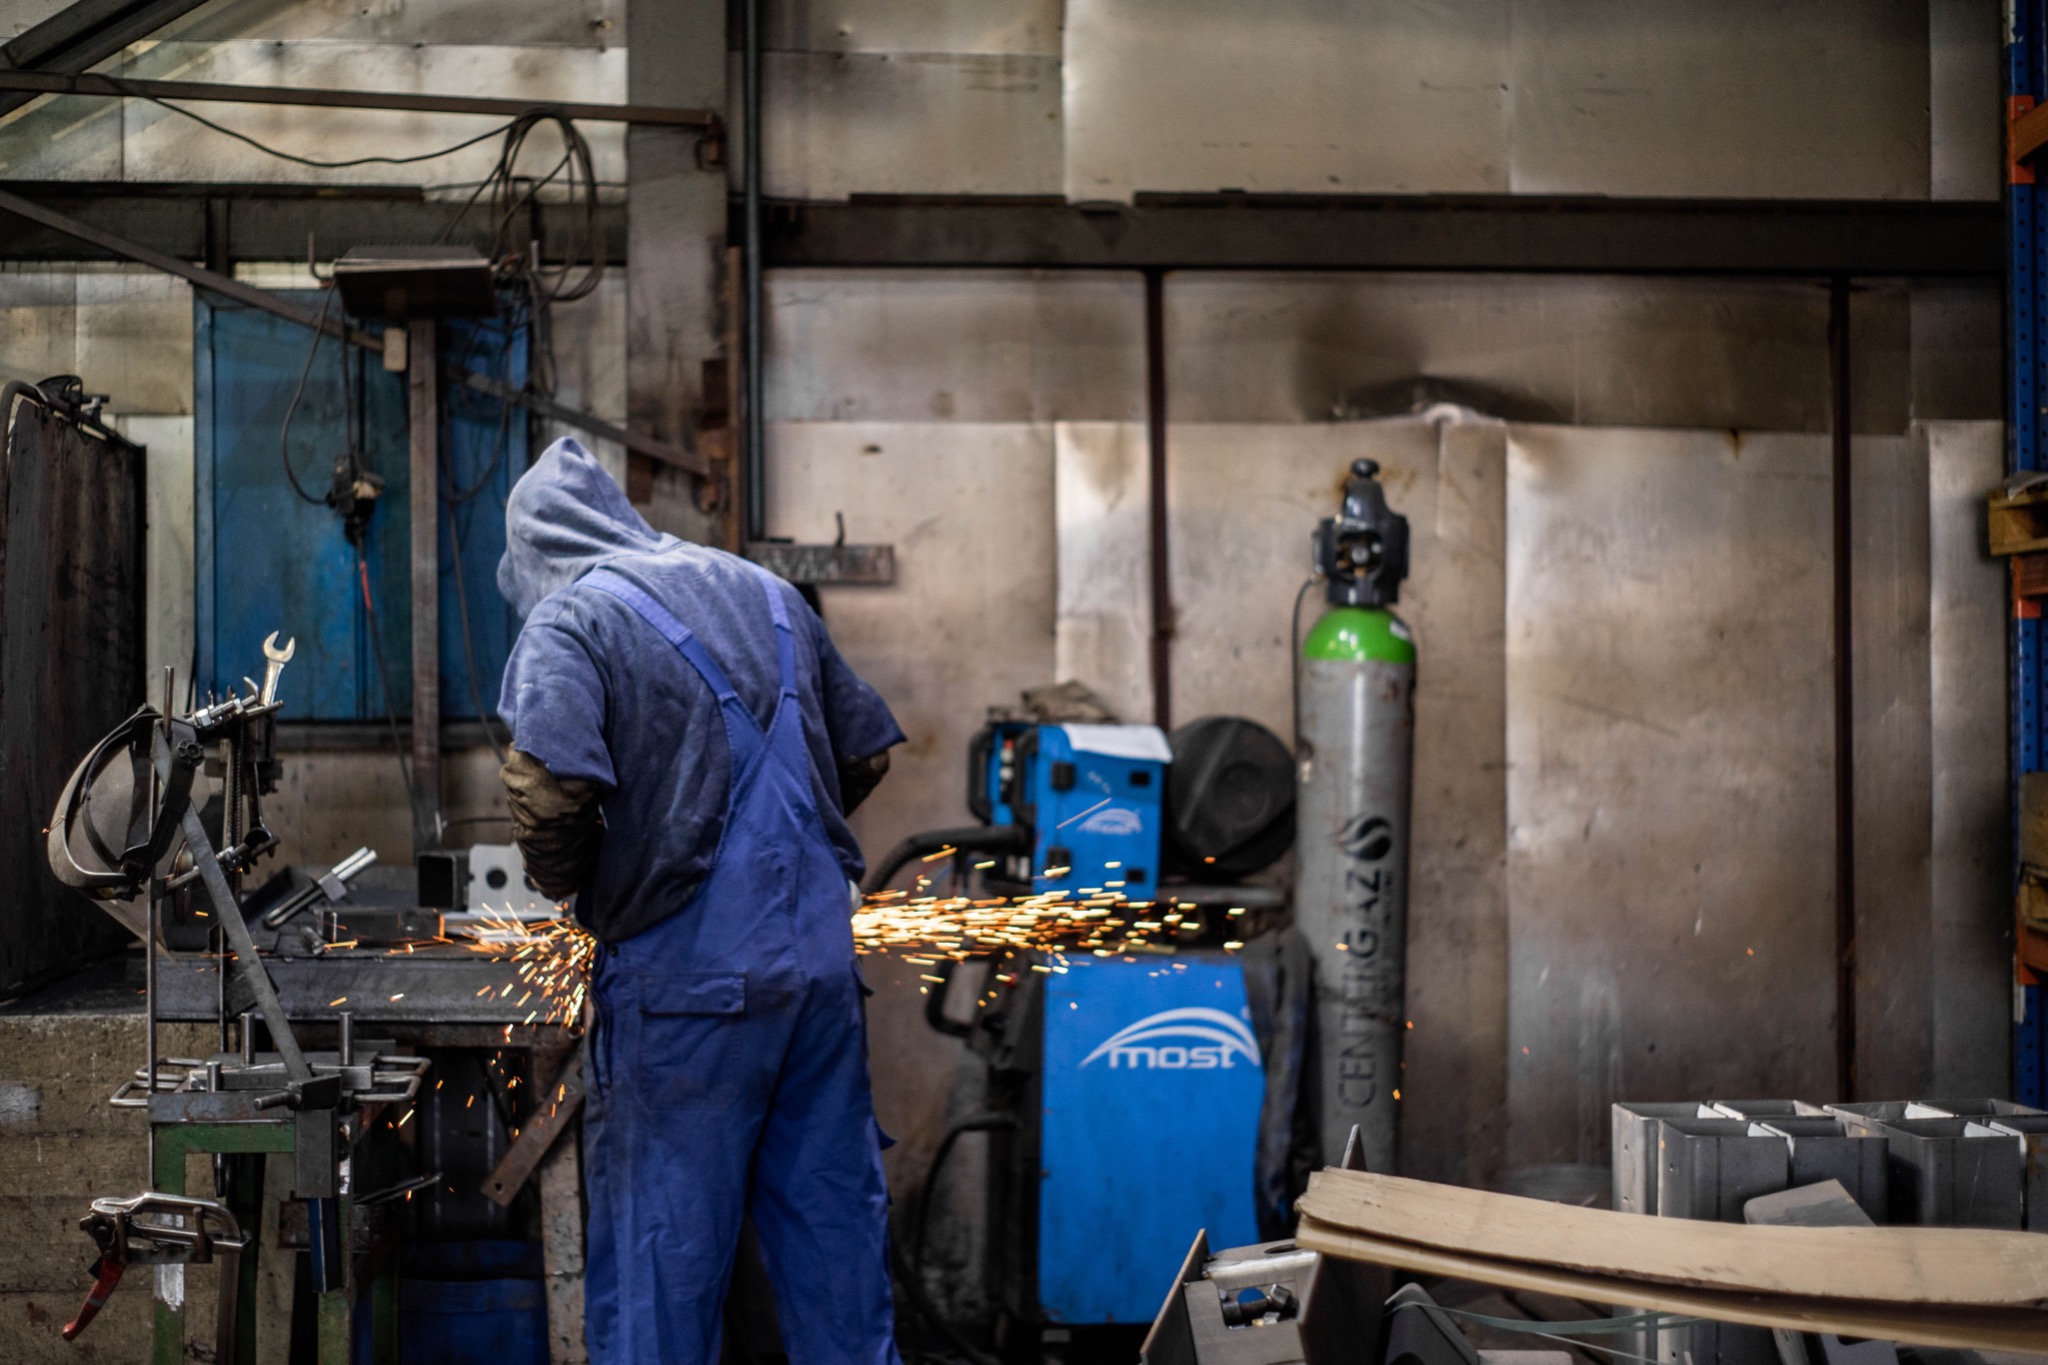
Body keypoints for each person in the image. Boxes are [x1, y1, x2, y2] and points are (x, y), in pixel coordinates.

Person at [494, 437, 905, 1365]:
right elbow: (864, 753)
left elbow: (549, 790)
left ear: (533, 551)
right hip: (819, 977)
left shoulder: (574, 618)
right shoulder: (764, 592)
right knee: (836, 1258)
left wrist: (587, 883)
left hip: (685, 998)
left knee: (660, 1277)